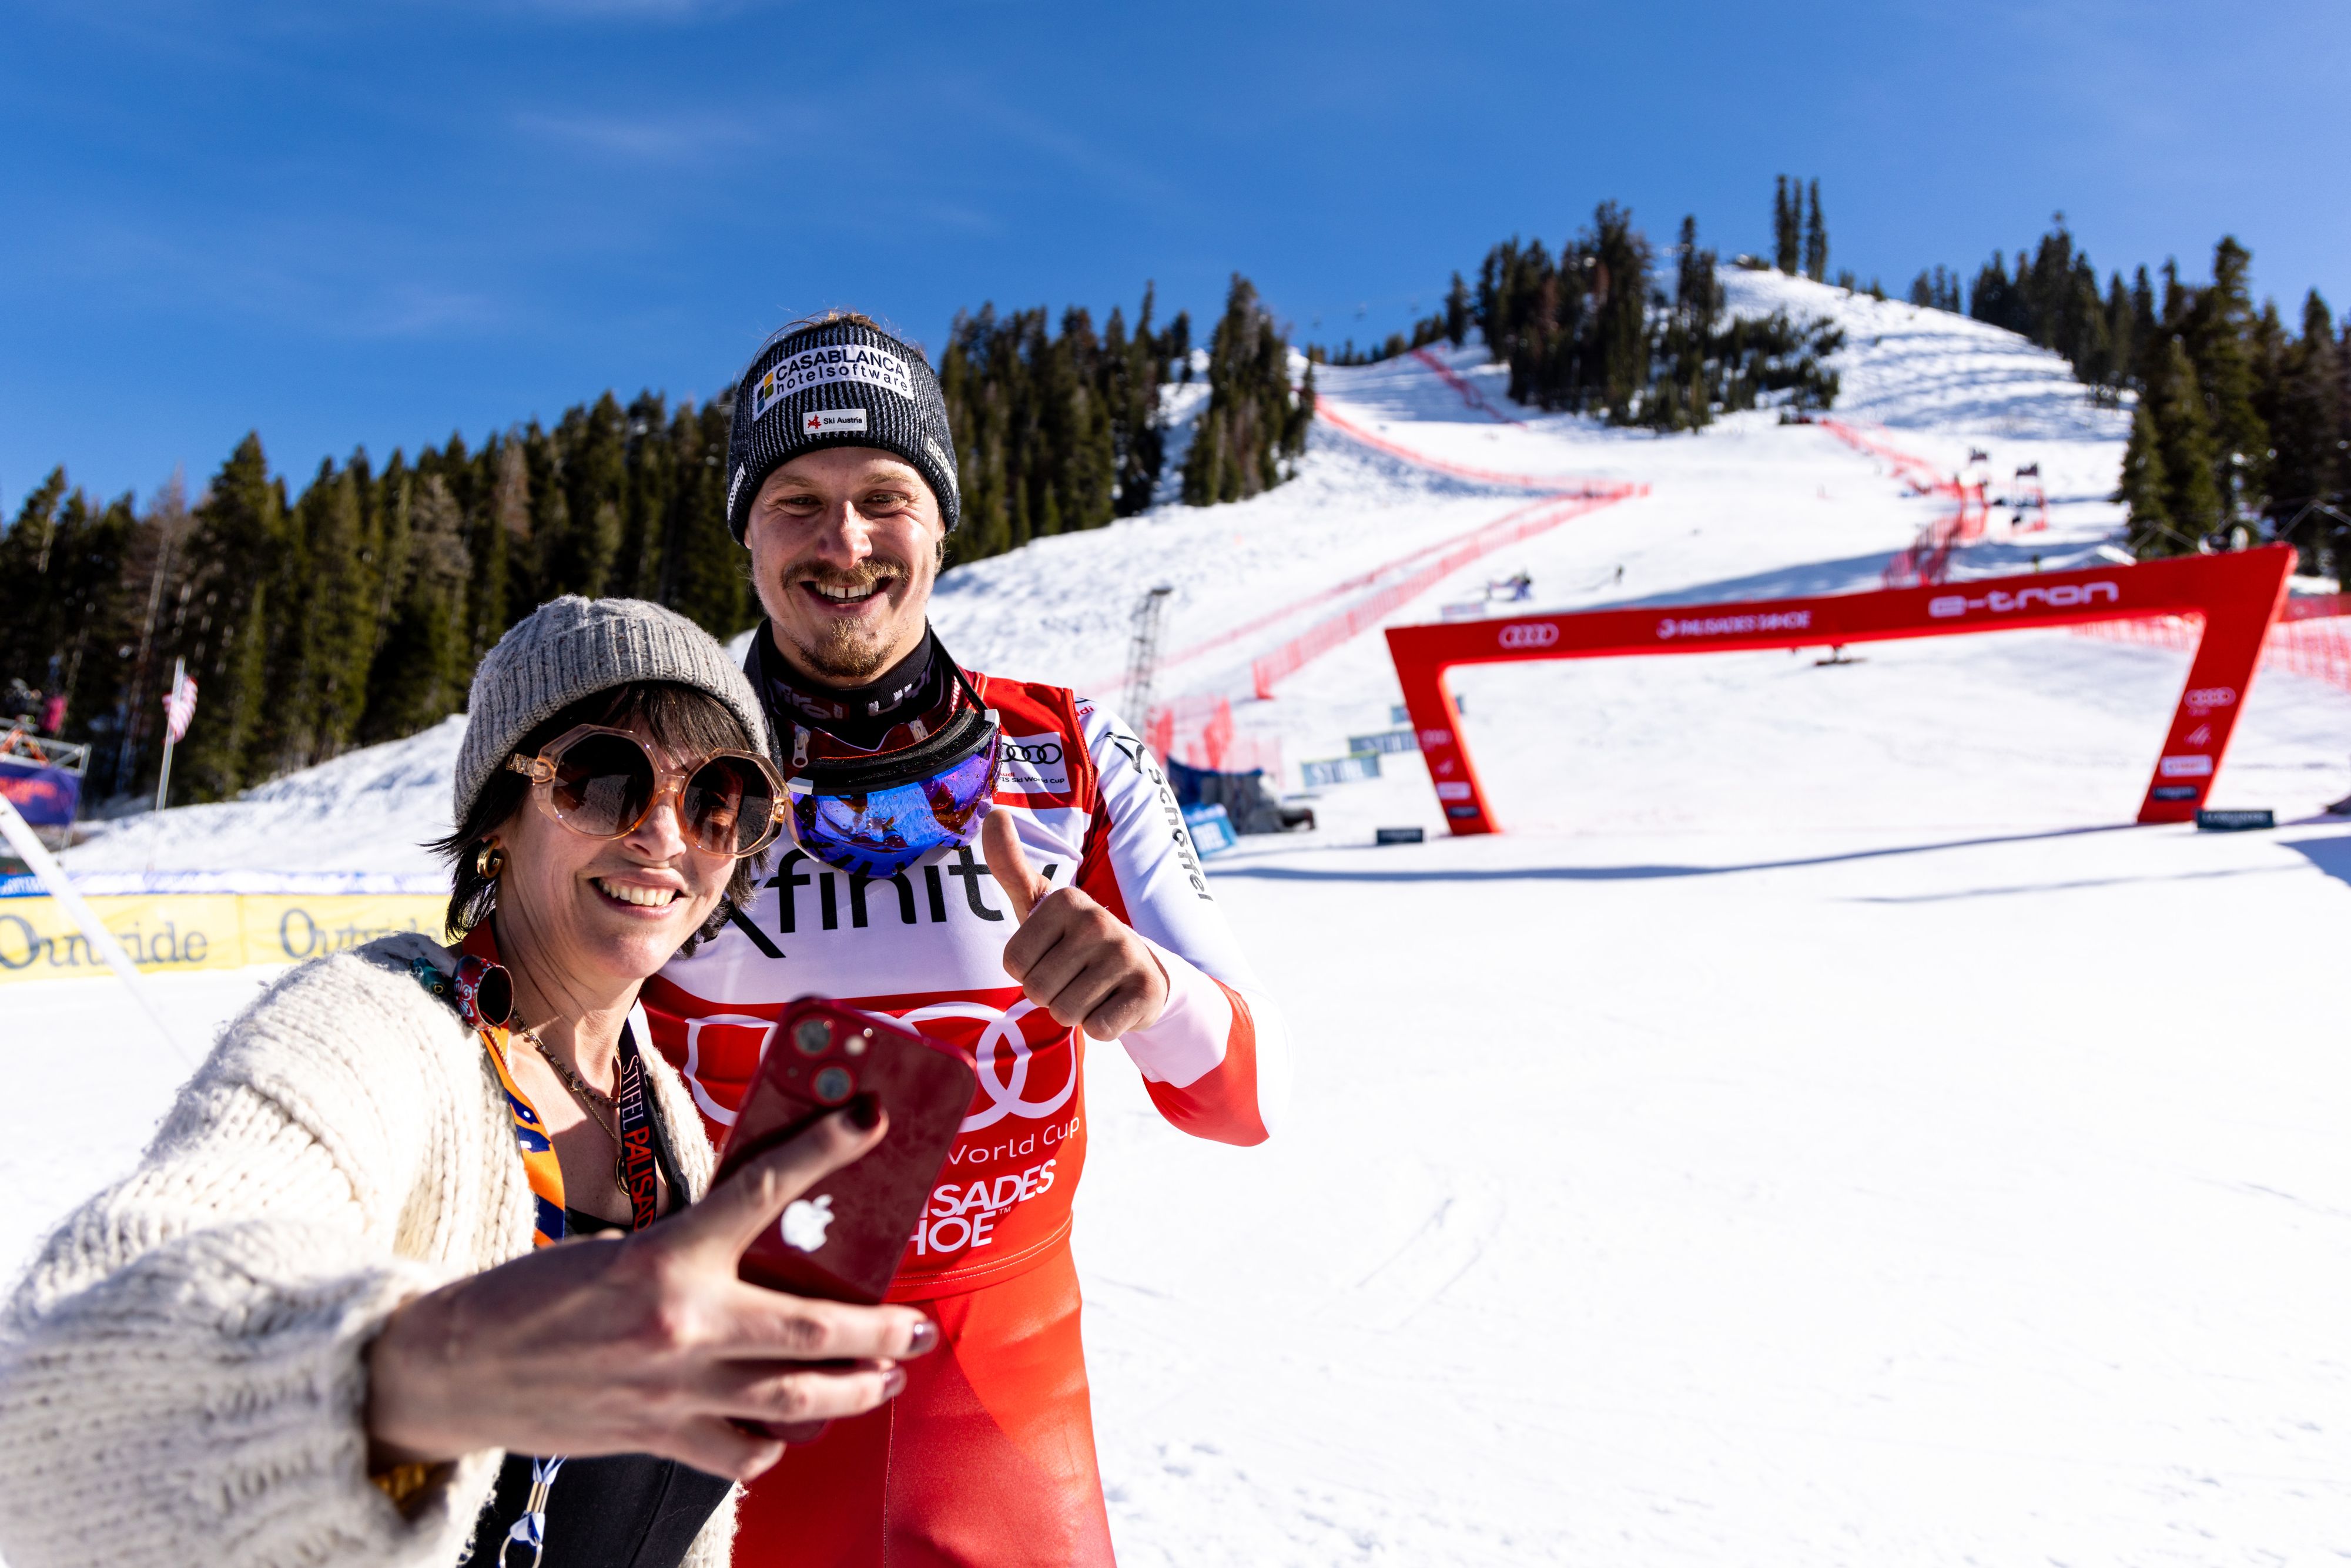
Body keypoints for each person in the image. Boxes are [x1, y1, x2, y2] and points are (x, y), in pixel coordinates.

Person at [0, 597, 939, 1568]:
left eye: (717, 799)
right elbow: (57, 1403)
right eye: (604, 779)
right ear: (499, 814)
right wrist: (427, 1374)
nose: (665, 838)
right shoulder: (373, 1027)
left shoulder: (663, 1115)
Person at [642, 313, 1290, 1564]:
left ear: (940, 522)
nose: (843, 542)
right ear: (746, 534)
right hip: (726, 1403)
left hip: (1001, 1401)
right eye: (795, 502)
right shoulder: (661, 770)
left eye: (885, 496)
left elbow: (1239, 1097)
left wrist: (1149, 991)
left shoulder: (1070, 750)